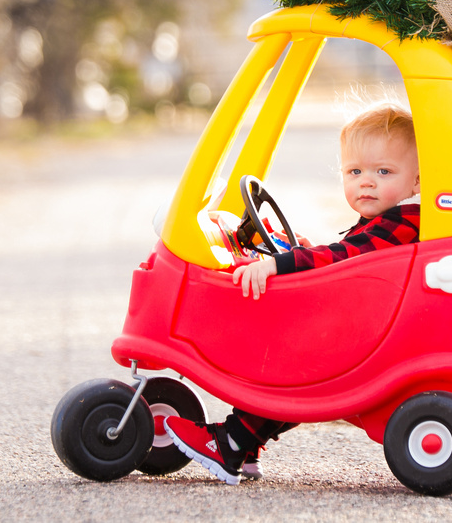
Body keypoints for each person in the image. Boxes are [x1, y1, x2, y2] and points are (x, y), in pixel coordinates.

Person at [164, 102, 421, 485]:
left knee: (288, 354)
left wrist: (282, 264)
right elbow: (351, 259)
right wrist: (299, 249)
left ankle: (232, 443)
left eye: (383, 171)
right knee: (298, 348)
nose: (366, 181)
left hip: (368, 339)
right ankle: (247, 443)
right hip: (368, 326)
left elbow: (344, 258)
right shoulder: (385, 219)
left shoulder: (404, 222)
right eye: (355, 171)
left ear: (417, 180)